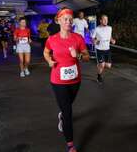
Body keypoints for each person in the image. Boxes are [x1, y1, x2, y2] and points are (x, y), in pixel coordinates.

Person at [43, 8, 89, 152]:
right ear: (59, 21)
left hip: (75, 80)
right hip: (58, 80)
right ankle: (70, 145)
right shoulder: (52, 39)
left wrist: (78, 56)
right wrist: (49, 61)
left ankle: (62, 113)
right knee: (68, 111)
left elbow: (87, 57)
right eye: (65, 19)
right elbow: (46, 52)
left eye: (70, 19)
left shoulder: (78, 38)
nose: (68, 22)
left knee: (68, 105)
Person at [92, 14, 116, 84]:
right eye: (104, 19)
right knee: (102, 65)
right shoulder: (97, 29)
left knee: (108, 66)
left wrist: (112, 40)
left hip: (107, 49)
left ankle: (99, 64)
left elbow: (110, 36)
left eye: (107, 19)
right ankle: (99, 76)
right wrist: (94, 41)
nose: (106, 21)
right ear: (100, 21)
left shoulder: (110, 28)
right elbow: (92, 38)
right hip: (99, 49)